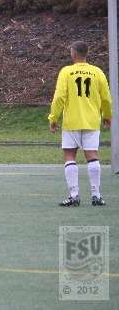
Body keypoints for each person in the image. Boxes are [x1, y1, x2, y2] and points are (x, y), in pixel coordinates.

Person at [48, 41, 112, 207]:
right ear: (86, 54)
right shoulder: (97, 72)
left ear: (73, 54)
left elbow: (59, 97)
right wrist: (107, 115)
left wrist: (53, 118)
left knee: (70, 156)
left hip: (72, 122)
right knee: (92, 156)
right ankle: (96, 195)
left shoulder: (66, 72)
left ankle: (74, 195)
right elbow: (106, 98)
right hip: (91, 121)